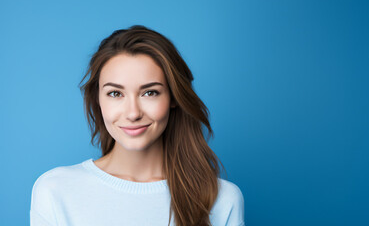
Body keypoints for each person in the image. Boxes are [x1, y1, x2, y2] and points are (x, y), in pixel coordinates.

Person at [30, 25, 245, 226]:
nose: (133, 113)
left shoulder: (222, 199)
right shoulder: (55, 190)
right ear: (98, 99)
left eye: (150, 92)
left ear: (173, 98)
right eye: (115, 93)